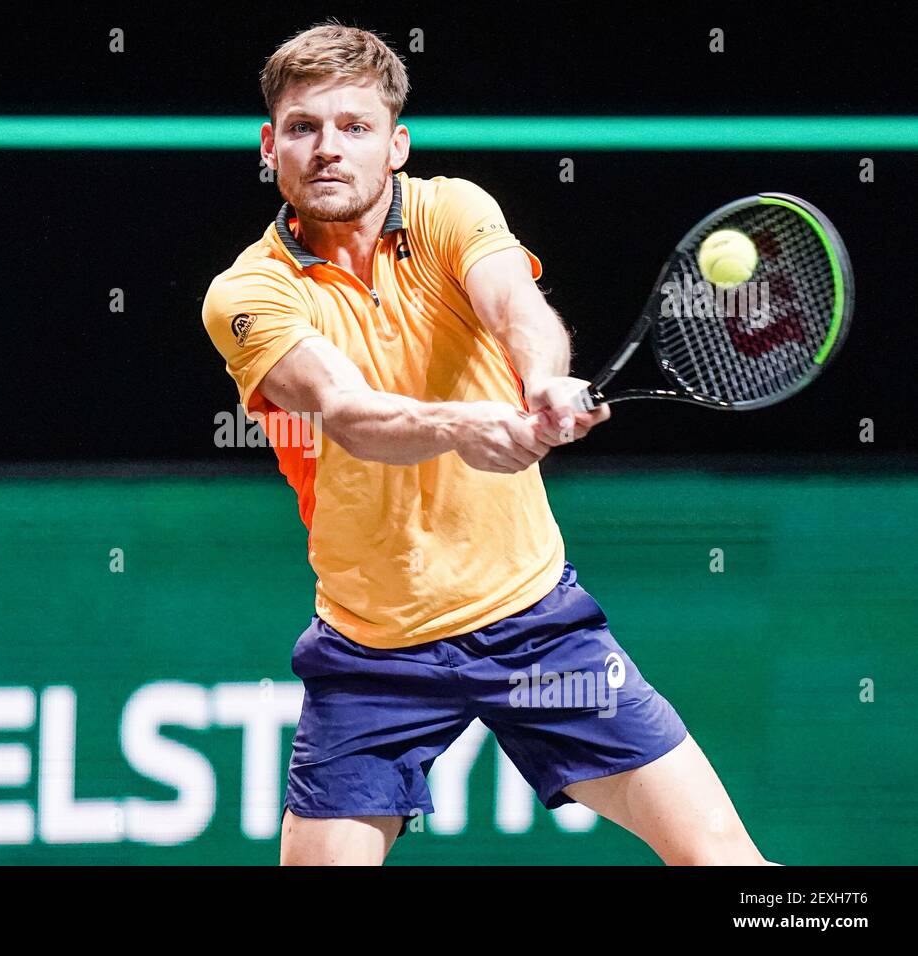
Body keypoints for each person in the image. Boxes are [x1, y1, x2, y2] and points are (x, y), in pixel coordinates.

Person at [200, 21, 775, 866]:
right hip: (372, 655)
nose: (329, 149)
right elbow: (348, 412)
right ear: (269, 145)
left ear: (395, 146)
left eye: (354, 128)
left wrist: (541, 380)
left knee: (724, 862)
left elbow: (515, 308)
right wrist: (472, 427)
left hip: (537, 635)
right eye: (304, 128)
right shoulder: (247, 294)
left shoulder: (451, 210)